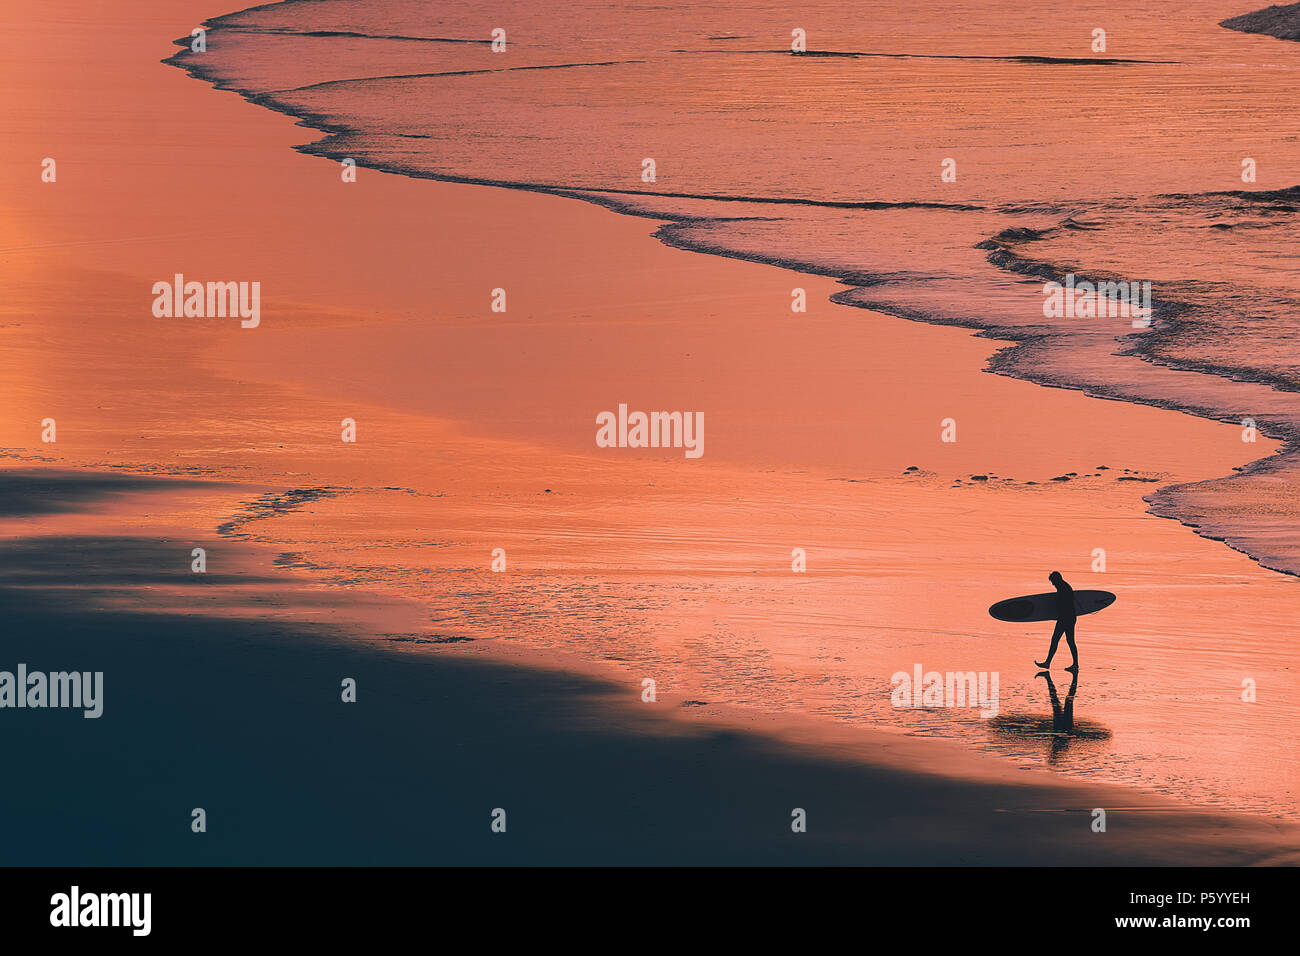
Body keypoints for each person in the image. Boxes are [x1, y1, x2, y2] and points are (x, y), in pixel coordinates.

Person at [1035, 571, 1079, 671]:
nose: (1052, 584)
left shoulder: (1063, 588)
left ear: (1057, 579)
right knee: (1068, 641)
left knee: (1058, 639)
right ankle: (1074, 664)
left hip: (1066, 618)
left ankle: (1048, 663)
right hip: (1068, 617)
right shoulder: (1064, 587)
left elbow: (1064, 605)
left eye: (1053, 581)